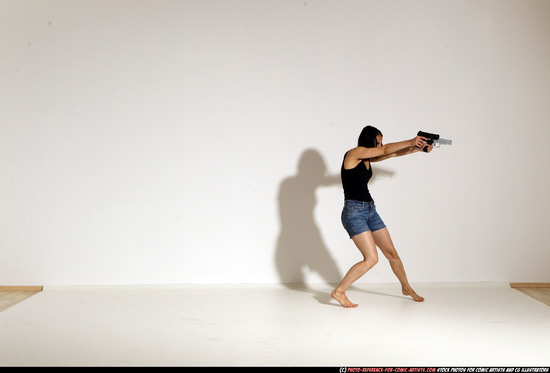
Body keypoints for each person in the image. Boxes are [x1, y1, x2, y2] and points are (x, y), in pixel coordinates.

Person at [331, 126, 432, 308]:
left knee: (392, 254)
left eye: (381, 142)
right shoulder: (354, 154)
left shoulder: (368, 158)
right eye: (377, 142)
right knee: (371, 259)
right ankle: (339, 291)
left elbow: (391, 154)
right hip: (354, 213)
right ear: (369, 141)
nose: (381, 145)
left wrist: (417, 148)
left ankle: (406, 287)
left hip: (370, 210)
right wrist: (411, 140)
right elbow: (386, 150)